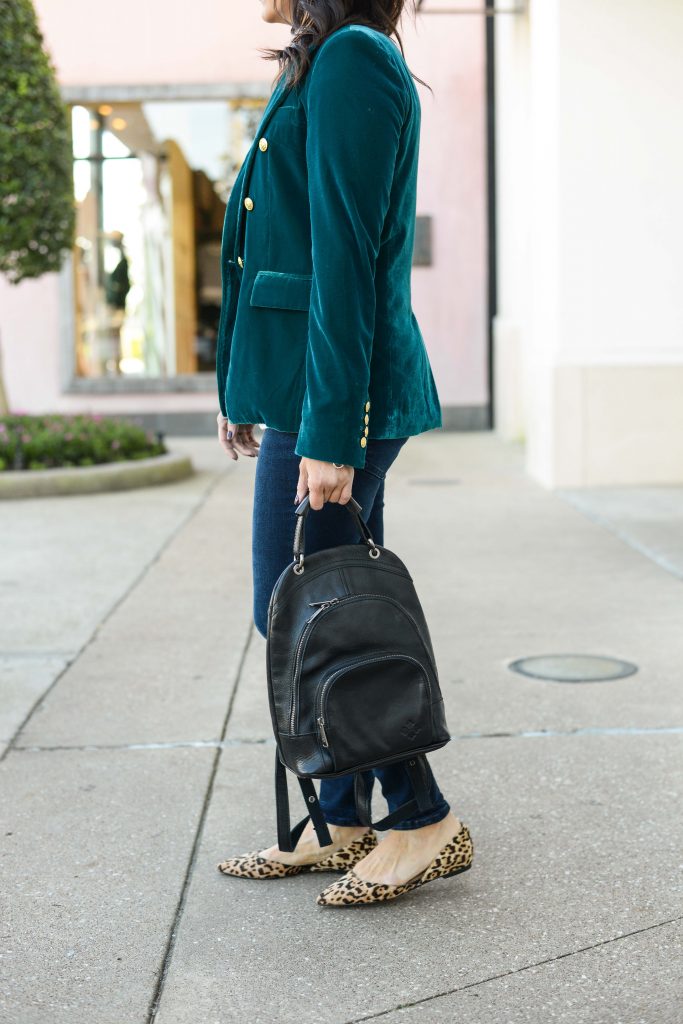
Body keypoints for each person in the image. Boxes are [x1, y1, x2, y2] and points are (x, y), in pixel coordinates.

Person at [215, 0, 473, 906]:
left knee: (308, 609)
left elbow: (345, 257)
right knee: (319, 603)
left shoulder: (354, 60)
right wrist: (246, 386)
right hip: (306, 385)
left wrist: (331, 429)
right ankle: (348, 821)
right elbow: (270, 245)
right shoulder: (325, 59)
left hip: (342, 394)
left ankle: (422, 818)